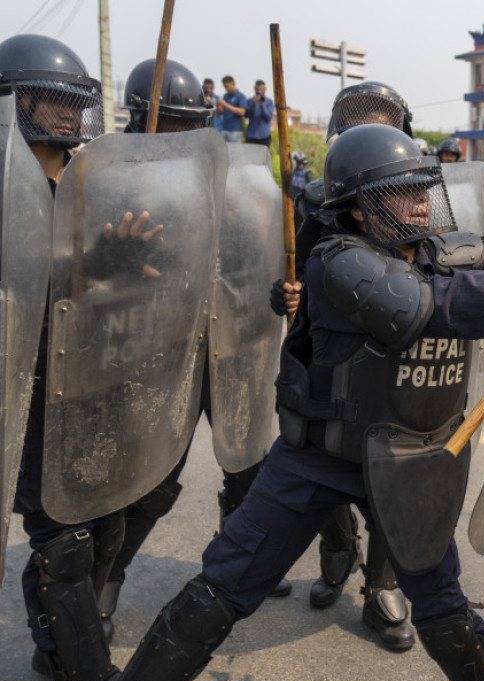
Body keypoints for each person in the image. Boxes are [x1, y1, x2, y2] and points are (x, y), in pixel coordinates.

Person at [74, 123, 484, 681]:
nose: (422, 201)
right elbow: (429, 308)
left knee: (439, 596)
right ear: (357, 206)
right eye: (402, 192)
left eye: (424, 187)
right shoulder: (336, 261)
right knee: (223, 582)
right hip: (317, 461)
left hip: (407, 459)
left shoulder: (442, 250)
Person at [95, 57, 292, 642]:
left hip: (229, 344)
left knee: (248, 465)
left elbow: (254, 253)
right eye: (171, 125)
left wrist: (282, 289)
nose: (182, 138)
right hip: (152, 351)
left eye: (191, 126)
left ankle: (239, 563)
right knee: (149, 481)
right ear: (142, 119)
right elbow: (90, 282)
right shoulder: (109, 180)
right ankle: (103, 588)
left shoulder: (227, 175)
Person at [273, 80, 419, 651]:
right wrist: (282, 297)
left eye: (384, 126)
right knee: (321, 457)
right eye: (360, 126)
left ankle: (383, 586)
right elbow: (295, 273)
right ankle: (336, 551)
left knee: (394, 470)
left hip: (395, 356)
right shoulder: (315, 201)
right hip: (329, 359)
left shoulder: (419, 196)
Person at [0, 32, 113, 681]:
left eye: (77, 103)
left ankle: (52, 636)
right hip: (20, 389)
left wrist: (119, 257)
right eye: (53, 100)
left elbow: (90, 278)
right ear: (14, 101)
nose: (69, 116)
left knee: (103, 519)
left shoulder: (89, 182)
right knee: (63, 536)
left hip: (83, 380)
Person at [216, 75, 246, 142]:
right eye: (224, 87)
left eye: (227, 87)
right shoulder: (225, 96)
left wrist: (226, 105)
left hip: (235, 131)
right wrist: (219, 105)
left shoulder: (240, 96)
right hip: (225, 129)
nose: (226, 89)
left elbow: (242, 112)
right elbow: (219, 113)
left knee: (235, 151)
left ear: (233, 84)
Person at [244, 79, 274, 147]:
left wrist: (262, 105)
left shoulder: (269, 102)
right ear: (254, 89)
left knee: (263, 156)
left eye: (261, 90)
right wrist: (253, 104)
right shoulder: (249, 101)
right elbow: (247, 115)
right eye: (258, 90)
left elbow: (268, 117)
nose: (259, 92)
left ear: (265, 89)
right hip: (251, 135)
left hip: (264, 135)